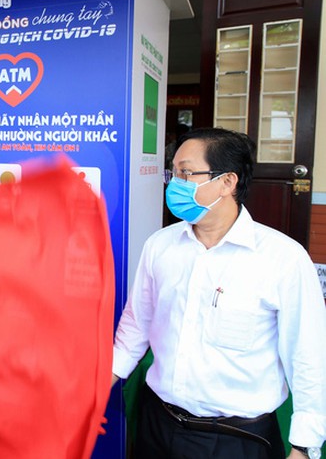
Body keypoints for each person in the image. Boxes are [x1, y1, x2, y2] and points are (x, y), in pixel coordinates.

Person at [112, 128, 326, 459]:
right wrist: (100, 388)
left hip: (236, 439)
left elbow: (308, 357)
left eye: (185, 173)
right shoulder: (161, 246)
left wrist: (304, 446)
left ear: (227, 182)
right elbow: (136, 325)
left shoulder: (282, 258)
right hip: (158, 425)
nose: (174, 184)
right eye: (173, 173)